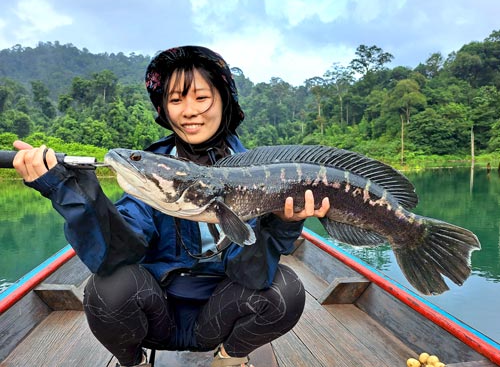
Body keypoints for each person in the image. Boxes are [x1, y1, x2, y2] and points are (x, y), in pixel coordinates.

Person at [13, 45, 330, 367]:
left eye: (201, 97)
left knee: (285, 290)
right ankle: (134, 361)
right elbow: (114, 256)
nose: (189, 111)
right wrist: (67, 190)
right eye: (176, 100)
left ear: (225, 102)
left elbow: (251, 274)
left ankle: (229, 357)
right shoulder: (147, 172)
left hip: (221, 313)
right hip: (156, 313)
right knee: (109, 285)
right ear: (164, 109)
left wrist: (281, 221)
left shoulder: (262, 177)